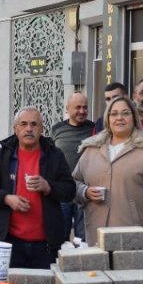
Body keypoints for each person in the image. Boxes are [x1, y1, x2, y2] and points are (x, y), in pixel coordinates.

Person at [0, 107, 76, 268]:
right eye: (23, 124)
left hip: (46, 245)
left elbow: (69, 190)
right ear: (15, 129)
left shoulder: (54, 156)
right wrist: (6, 198)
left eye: (34, 124)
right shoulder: (2, 156)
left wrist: (48, 187)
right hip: (8, 241)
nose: (29, 129)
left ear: (41, 129)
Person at [73, 95, 143, 233]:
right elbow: (72, 183)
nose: (119, 118)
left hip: (134, 238)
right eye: (114, 114)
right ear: (108, 119)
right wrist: (85, 192)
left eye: (125, 113)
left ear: (134, 118)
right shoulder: (91, 150)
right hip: (96, 235)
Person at [50, 92, 94, 243]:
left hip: (84, 191)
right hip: (63, 191)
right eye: (78, 107)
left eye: (85, 107)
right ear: (67, 108)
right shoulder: (56, 129)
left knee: (83, 238)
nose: (82, 111)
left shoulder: (94, 130)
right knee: (60, 235)